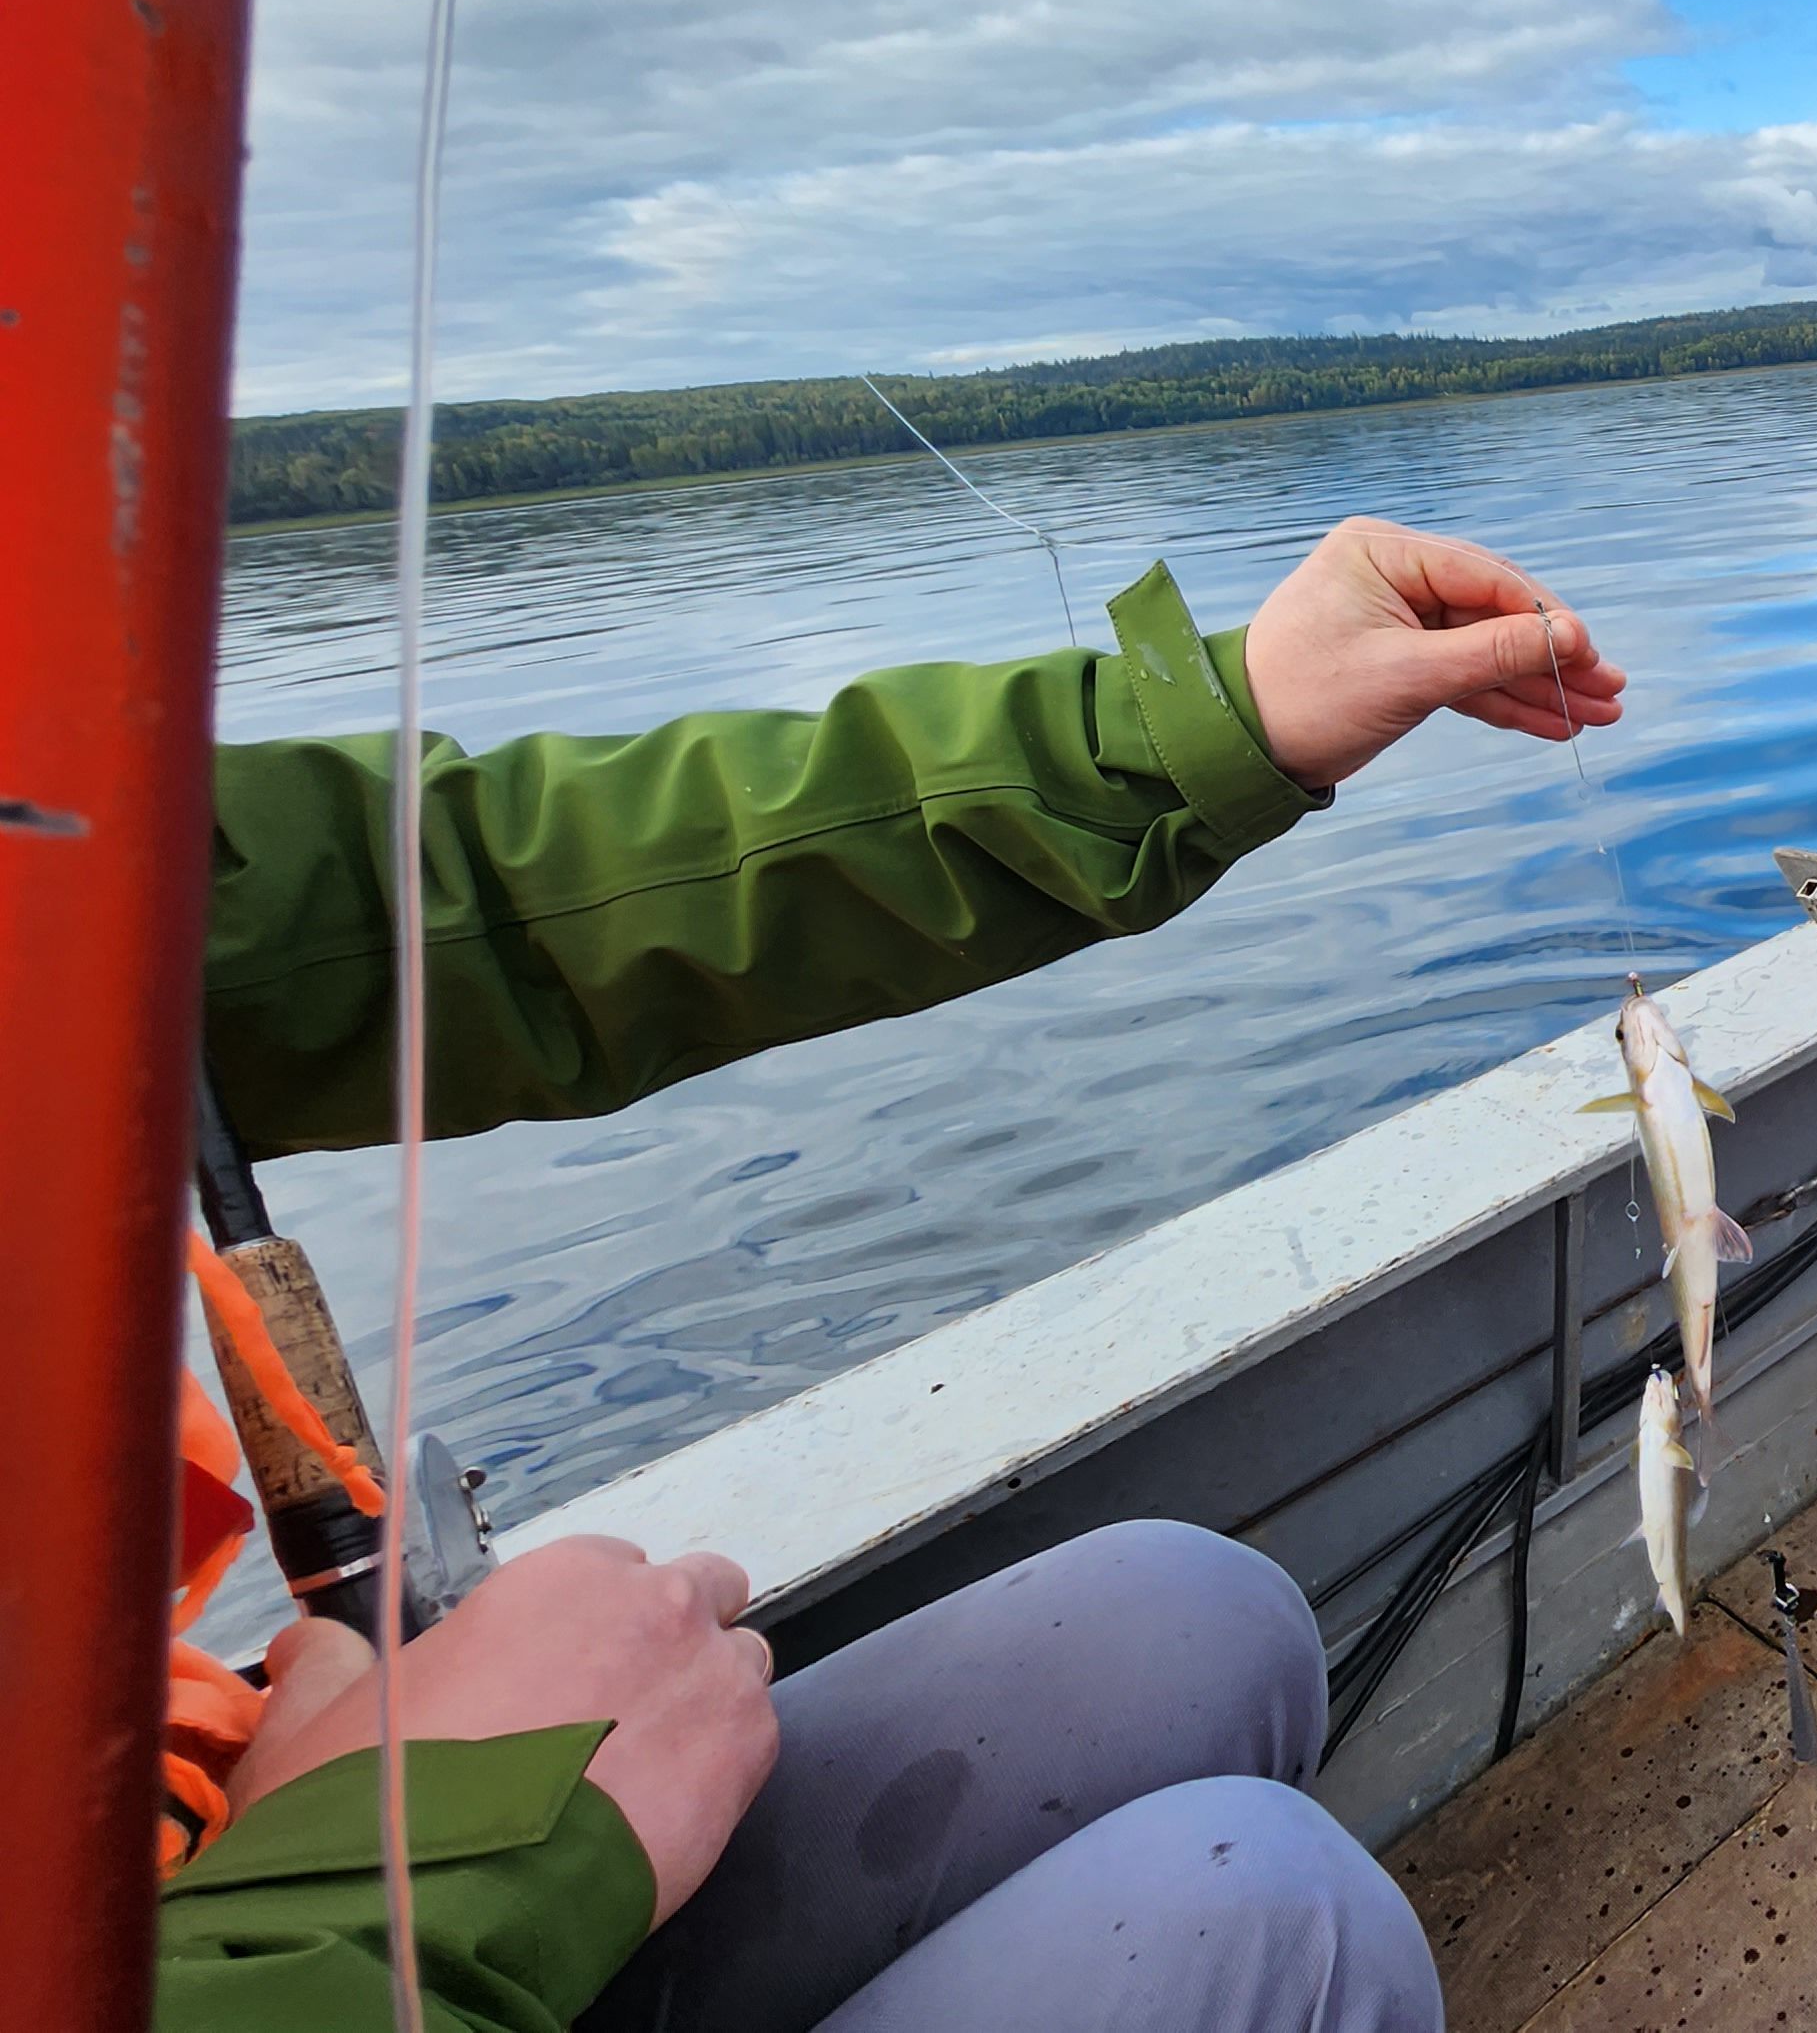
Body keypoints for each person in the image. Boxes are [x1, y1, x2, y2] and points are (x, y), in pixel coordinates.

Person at [153, 520, 1627, 2030]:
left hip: (249, 1869)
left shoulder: (66, 850)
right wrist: (427, 1878)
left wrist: (1207, 724)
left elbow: (493, 898)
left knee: (1198, 1621)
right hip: (346, 1945)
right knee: (1284, 1929)